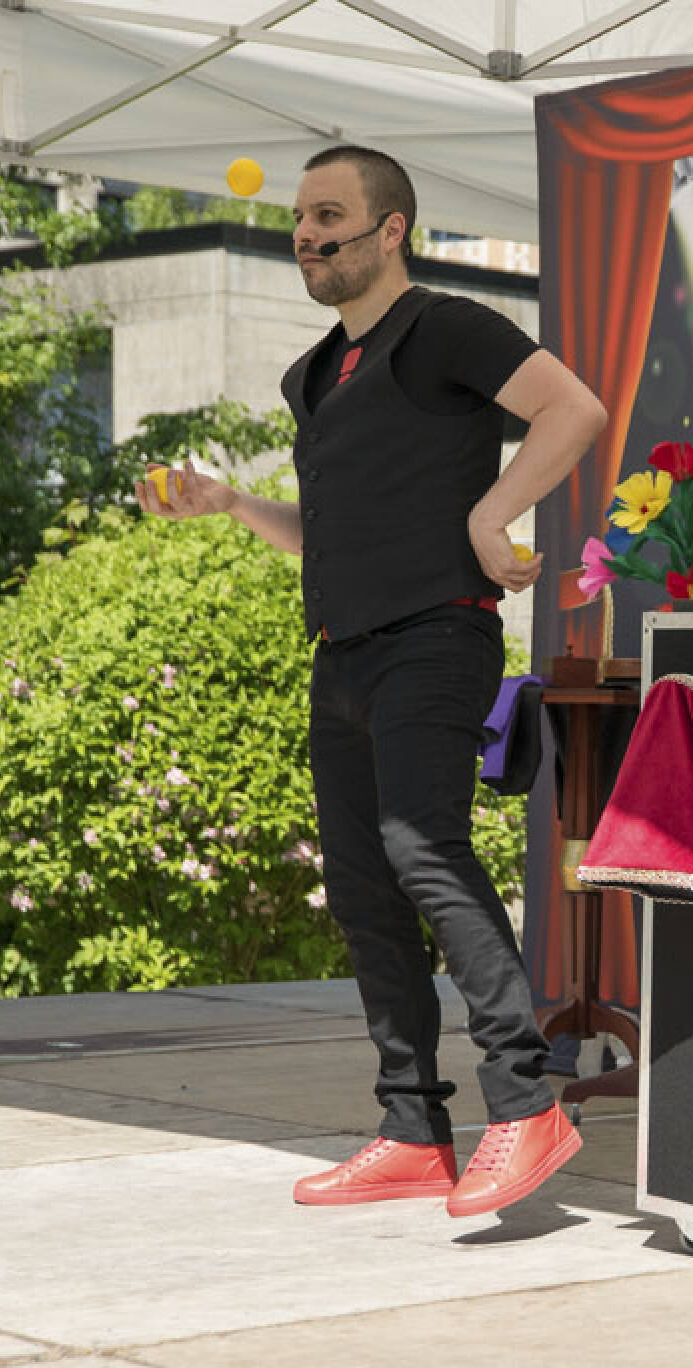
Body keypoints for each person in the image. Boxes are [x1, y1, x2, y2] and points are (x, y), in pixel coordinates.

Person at [136, 145, 607, 1218]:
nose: (307, 235)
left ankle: (526, 1102)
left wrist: (492, 515)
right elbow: (331, 531)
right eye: (300, 219)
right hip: (341, 653)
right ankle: (410, 1128)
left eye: (329, 216)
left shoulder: (445, 328)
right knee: (360, 886)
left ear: (391, 229)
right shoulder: (311, 376)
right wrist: (231, 505)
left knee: (422, 850)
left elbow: (571, 410)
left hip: (436, 638)